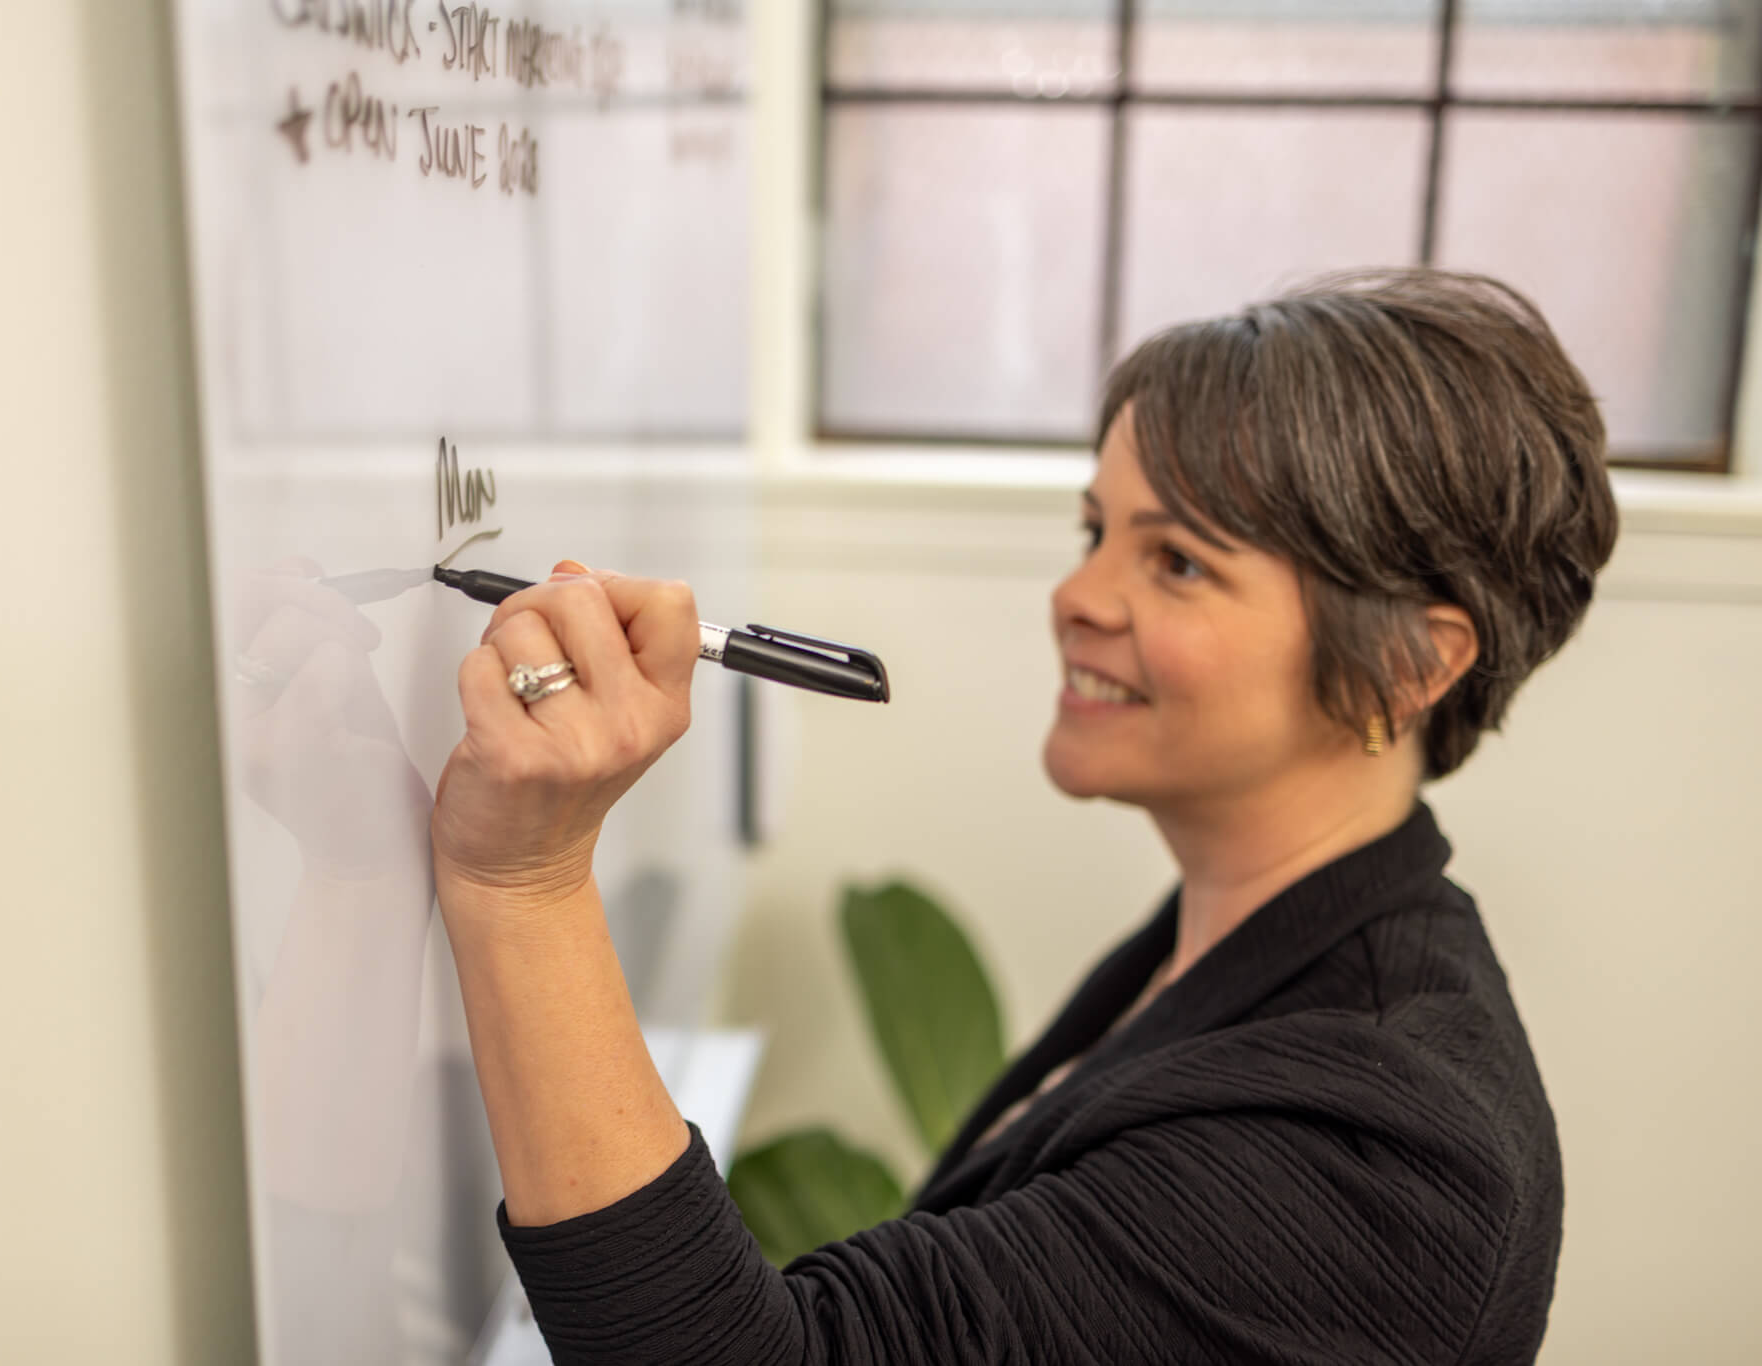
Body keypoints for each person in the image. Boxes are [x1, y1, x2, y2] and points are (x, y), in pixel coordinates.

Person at [427, 269, 1619, 1364]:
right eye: (1097, 532)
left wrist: (520, 880)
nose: (1076, 596)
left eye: (1180, 563)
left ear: (1409, 662)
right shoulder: (1236, 940)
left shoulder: (1379, 1156)